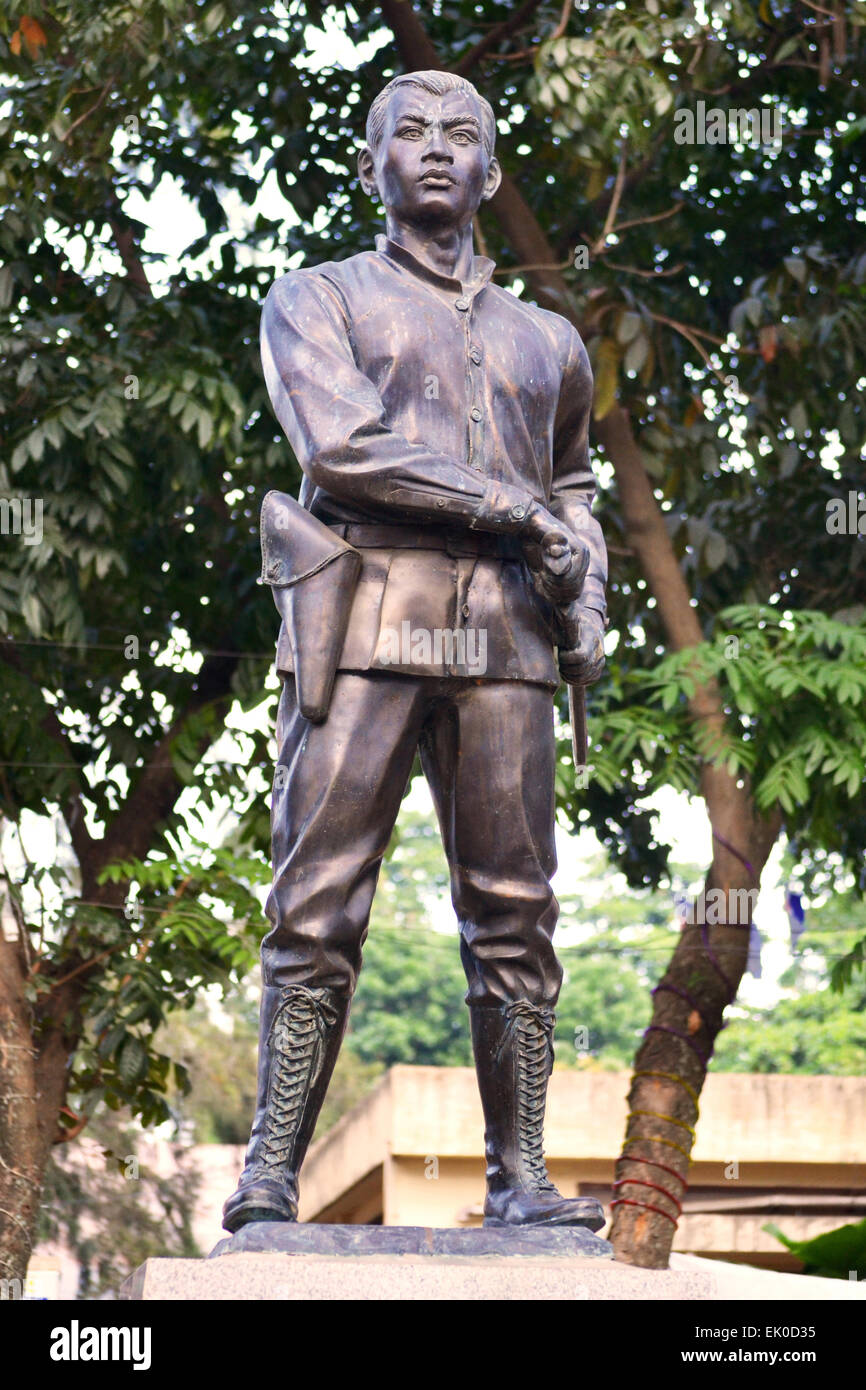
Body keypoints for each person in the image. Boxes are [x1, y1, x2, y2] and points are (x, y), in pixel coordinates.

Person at [223, 69, 608, 1235]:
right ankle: (269, 1172)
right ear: (370, 164)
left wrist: (585, 594)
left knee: (514, 911)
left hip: (509, 640)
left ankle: (520, 1177)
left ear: (489, 173)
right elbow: (341, 449)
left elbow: (574, 484)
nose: (435, 148)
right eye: (408, 132)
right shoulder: (318, 298)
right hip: (365, 622)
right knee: (316, 901)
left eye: (460, 134)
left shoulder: (549, 340)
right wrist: (516, 510)